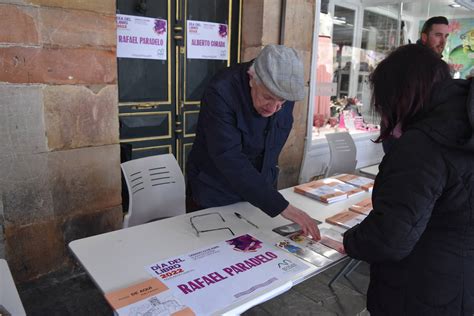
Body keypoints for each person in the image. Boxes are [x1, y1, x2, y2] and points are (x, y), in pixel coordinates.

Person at [343, 44, 474, 315]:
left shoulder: (424, 143)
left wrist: (350, 240)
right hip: (459, 283)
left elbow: (389, 237)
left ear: (400, 94)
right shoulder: (464, 123)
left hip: (419, 292)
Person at [186, 44, 320, 240]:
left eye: (281, 103)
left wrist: (266, 195)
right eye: (267, 97)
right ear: (252, 78)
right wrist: (280, 205)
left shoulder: (283, 91)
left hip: (259, 192)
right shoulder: (221, 90)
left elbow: (272, 144)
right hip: (215, 191)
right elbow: (228, 156)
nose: (274, 108)